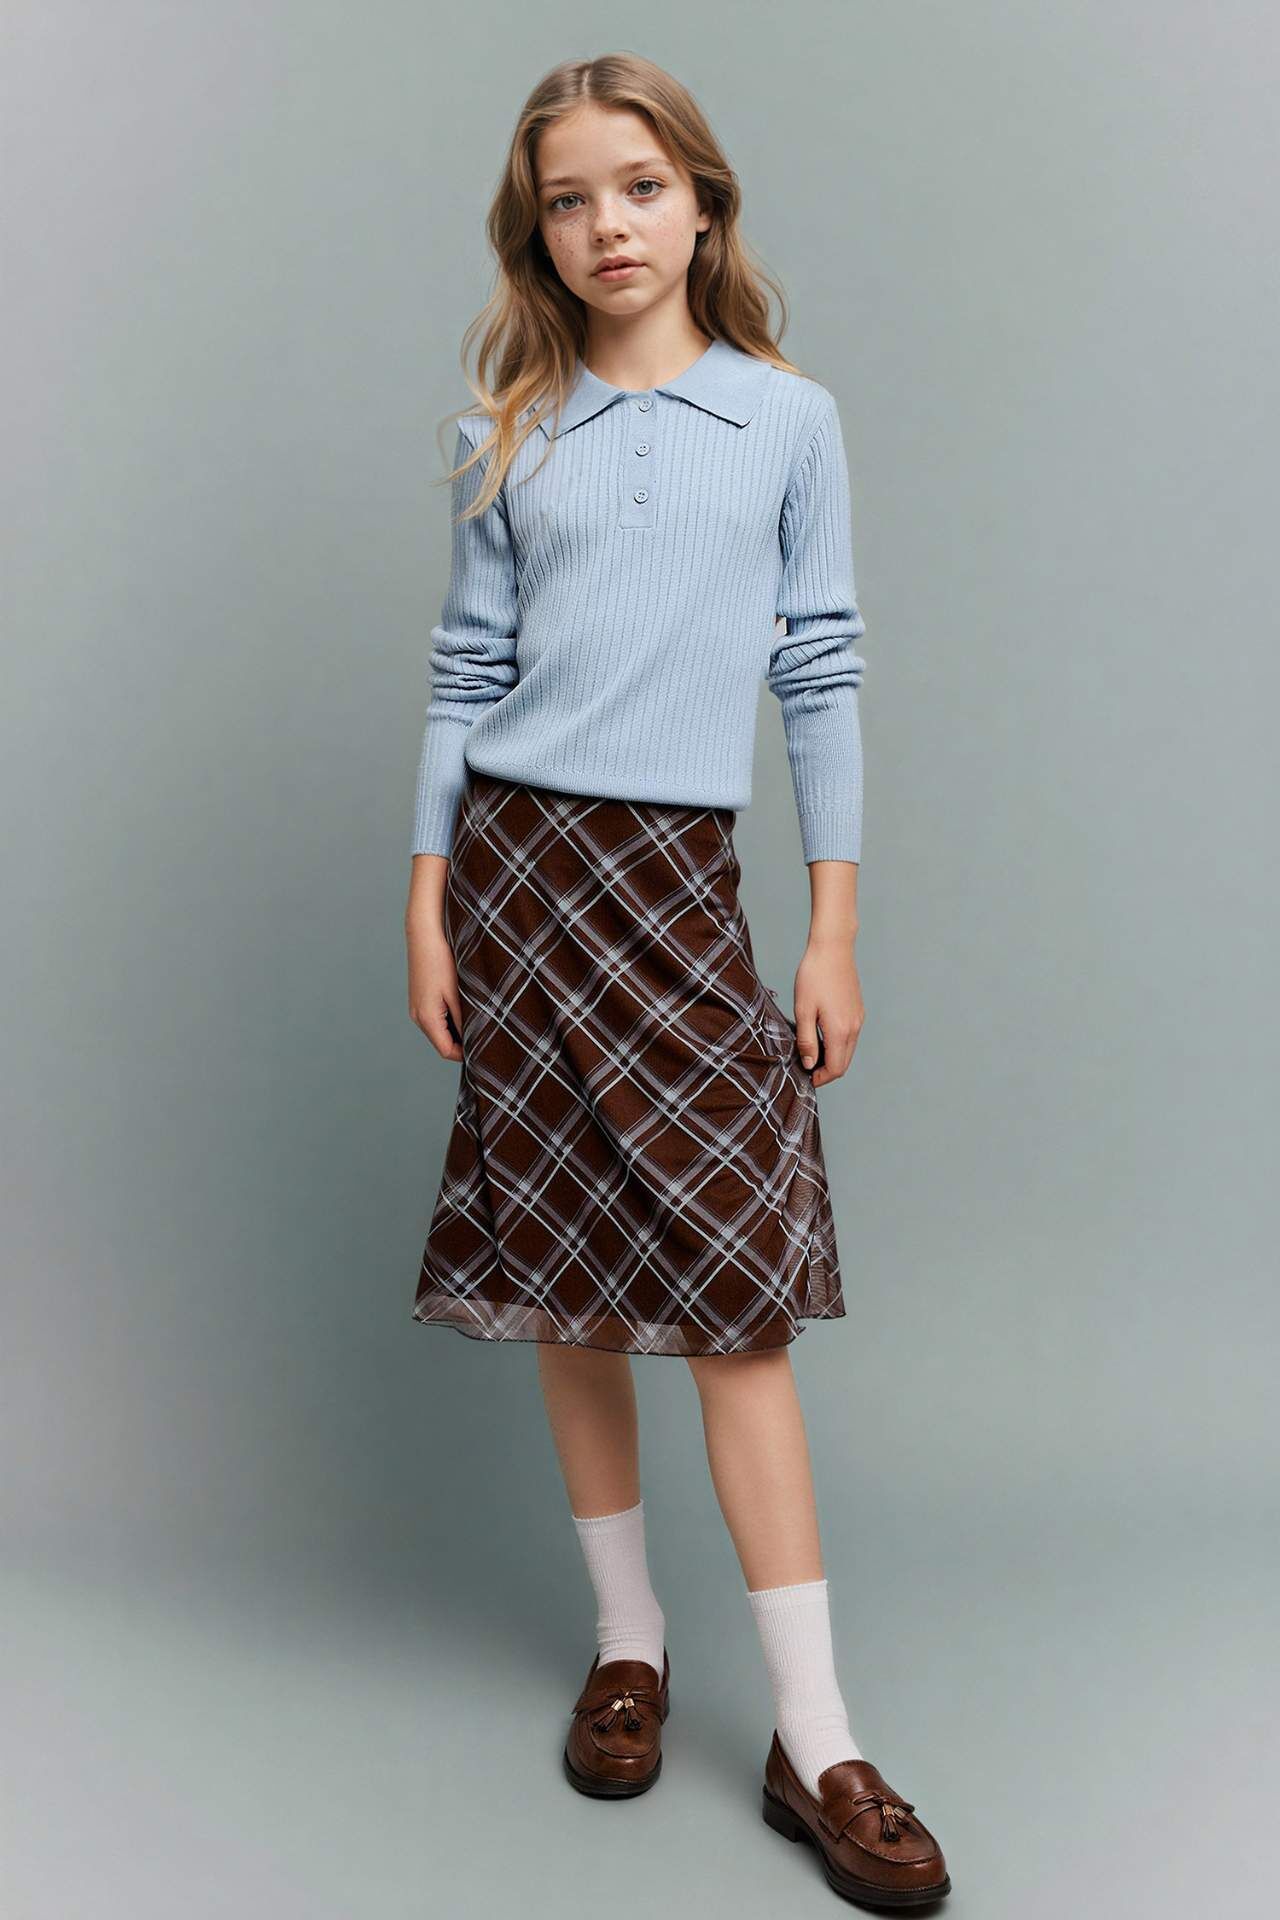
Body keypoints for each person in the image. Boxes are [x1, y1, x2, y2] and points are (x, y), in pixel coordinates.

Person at [404, 51, 951, 1910]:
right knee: (569, 1269)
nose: (607, 225)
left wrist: (831, 925)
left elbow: (824, 669)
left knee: (735, 1309)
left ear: (704, 204)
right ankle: (626, 1644)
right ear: (537, 233)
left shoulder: (786, 420)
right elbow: (463, 670)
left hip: (675, 882)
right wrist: (425, 897)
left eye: (638, 186)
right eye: (568, 199)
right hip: (516, 876)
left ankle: (818, 1739)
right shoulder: (506, 426)